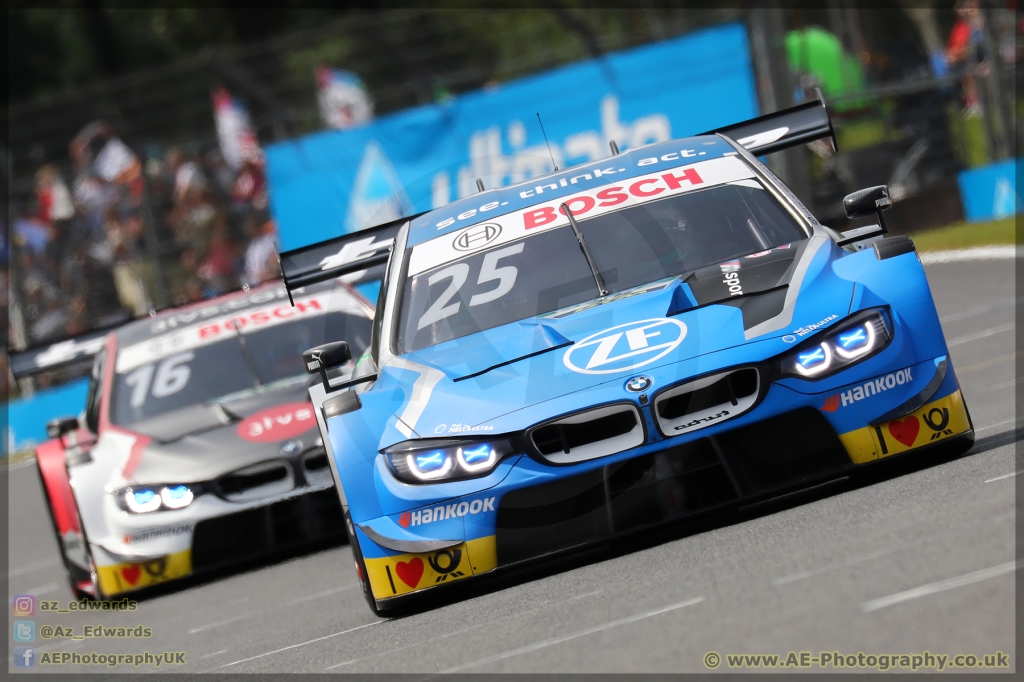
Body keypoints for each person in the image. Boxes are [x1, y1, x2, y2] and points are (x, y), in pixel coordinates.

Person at [946, 0, 989, 116]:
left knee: (977, 70)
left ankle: (979, 101)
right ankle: (973, 102)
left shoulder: (984, 21)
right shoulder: (960, 28)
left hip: (986, 57)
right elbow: (954, 52)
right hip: (971, 60)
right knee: (969, 72)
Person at [244, 213, 280, 287]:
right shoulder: (252, 247)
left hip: (272, 283)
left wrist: (268, 273)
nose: (249, 229)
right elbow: (250, 271)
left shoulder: (272, 240)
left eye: (253, 226)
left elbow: (276, 262)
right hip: (255, 285)